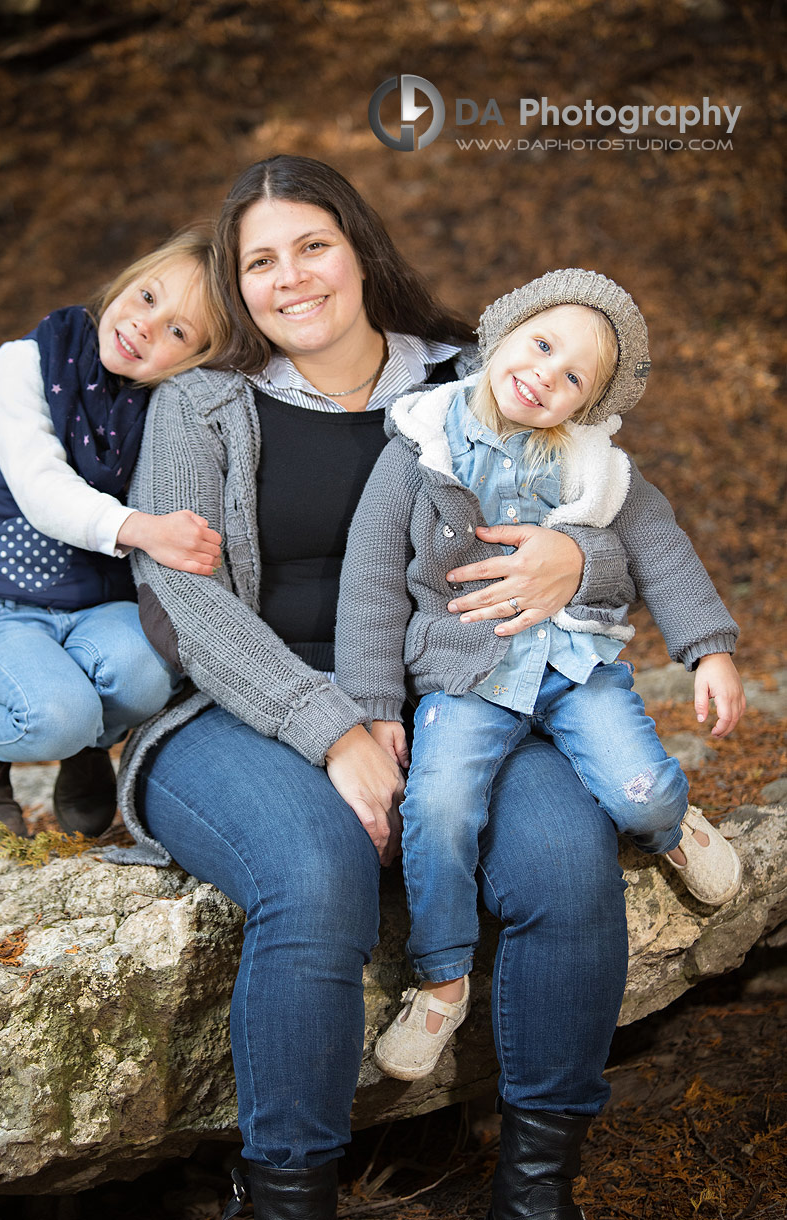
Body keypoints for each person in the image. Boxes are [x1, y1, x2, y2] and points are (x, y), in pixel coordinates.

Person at [107, 156, 635, 1220]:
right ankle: (287, 1199)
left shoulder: (473, 378)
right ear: (235, 281)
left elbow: (620, 524)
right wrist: (337, 730)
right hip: (235, 717)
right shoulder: (201, 405)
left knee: (569, 855)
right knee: (315, 868)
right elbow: (185, 601)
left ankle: (535, 1193)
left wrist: (580, 566)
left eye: (313, 246)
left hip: (467, 705)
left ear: (359, 249)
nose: (290, 277)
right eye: (260, 261)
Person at [335, 268, 745, 1084]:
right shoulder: (422, 446)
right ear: (501, 335)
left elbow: (658, 548)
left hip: (573, 663)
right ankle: (441, 980)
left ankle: (674, 828)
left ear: (586, 406)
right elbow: (370, 578)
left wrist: (709, 648)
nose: (544, 376)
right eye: (540, 345)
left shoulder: (594, 466)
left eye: (572, 379)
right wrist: (375, 705)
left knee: (642, 790)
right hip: (466, 675)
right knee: (440, 806)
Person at [0, 229, 230, 847]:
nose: (146, 326)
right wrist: (143, 530)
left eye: (178, 332)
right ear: (125, 282)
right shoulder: (25, 362)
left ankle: (84, 747)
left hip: (94, 607)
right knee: (55, 714)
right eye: (146, 297)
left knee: (148, 677)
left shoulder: (168, 406)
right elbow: (41, 490)